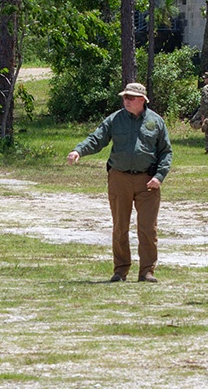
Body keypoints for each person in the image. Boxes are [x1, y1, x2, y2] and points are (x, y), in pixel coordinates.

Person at [67, 82, 172, 283]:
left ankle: (147, 271)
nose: (126, 101)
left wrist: (159, 176)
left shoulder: (156, 121)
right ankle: (120, 270)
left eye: (131, 98)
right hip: (119, 178)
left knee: (147, 228)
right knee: (120, 226)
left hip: (147, 180)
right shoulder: (115, 120)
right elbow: (96, 138)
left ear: (142, 100)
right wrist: (78, 150)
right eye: (125, 97)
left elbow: (165, 152)